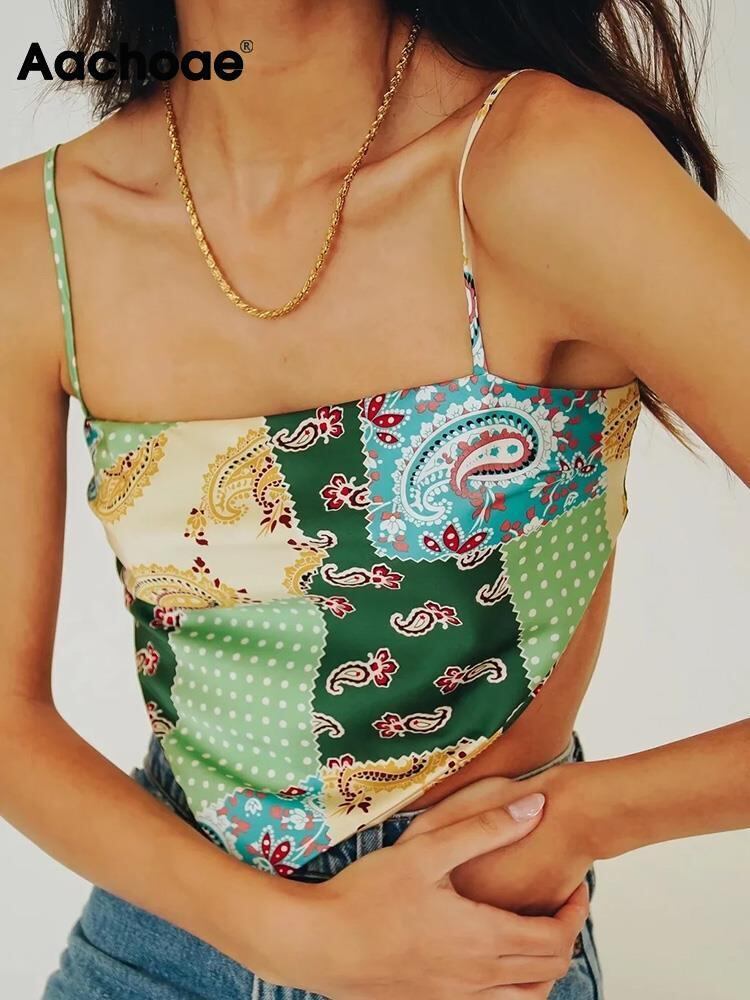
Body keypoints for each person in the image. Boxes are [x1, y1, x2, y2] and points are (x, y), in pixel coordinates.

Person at [1, 2, 748, 998]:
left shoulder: (542, 167)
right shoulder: (36, 234)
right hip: (159, 937)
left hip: (469, 934)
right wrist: (287, 935)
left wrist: (576, 817)